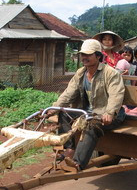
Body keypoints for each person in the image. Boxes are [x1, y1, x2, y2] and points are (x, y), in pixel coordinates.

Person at [53, 39, 126, 171]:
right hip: (88, 113)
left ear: (98, 56)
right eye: (82, 55)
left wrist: (109, 113)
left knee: (91, 125)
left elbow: (116, 95)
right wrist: (54, 107)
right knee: (63, 112)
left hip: (108, 114)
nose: (84, 58)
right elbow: (68, 93)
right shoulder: (81, 73)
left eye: (88, 55)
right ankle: (69, 149)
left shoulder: (110, 73)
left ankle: (77, 163)